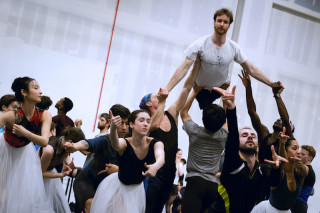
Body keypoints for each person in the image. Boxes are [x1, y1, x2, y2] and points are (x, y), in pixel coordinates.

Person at [165, 8, 283, 110]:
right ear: (214, 22)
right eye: (219, 21)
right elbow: (183, 68)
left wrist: (271, 84)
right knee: (186, 99)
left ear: (229, 25)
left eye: (225, 22)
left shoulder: (234, 48)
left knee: (225, 116)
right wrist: (167, 89)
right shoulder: (200, 44)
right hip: (200, 88)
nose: (222, 24)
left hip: (221, 88)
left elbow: (251, 69)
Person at [204, 86, 287, 213]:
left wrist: (276, 168)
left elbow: (274, 182)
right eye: (244, 135)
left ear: (257, 146)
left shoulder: (262, 169)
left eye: (253, 136)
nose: (249, 137)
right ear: (237, 143)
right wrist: (231, 107)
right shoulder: (232, 163)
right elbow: (231, 137)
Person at [143, 54, 201, 213]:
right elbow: (155, 124)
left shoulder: (171, 113)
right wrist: (162, 100)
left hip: (169, 173)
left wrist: (197, 65)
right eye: (155, 95)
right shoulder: (146, 120)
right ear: (148, 103)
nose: (159, 94)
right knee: (147, 209)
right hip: (154, 172)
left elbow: (186, 88)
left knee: (159, 209)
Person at [90, 109, 165, 213]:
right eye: (142, 120)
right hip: (118, 187)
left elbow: (161, 157)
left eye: (148, 121)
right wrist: (113, 128)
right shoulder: (125, 143)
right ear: (131, 124)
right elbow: (115, 144)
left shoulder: (155, 143)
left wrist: (155, 167)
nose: (145, 124)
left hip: (136, 190)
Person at [0, 77, 53, 212]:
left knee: (20, 192)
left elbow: (44, 141)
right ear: (24, 92)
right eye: (36, 88)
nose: (40, 92)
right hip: (5, 149)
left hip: (24, 153)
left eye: (39, 88)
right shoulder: (11, 116)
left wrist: (24, 132)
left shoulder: (44, 115)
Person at [65, 104, 130, 213]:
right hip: (86, 181)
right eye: (120, 123)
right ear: (111, 123)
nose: (124, 127)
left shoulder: (130, 143)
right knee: (91, 206)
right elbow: (89, 143)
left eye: (126, 123)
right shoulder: (104, 140)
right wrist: (75, 146)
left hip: (106, 188)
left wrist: (118, 170)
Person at [180, 84, 228, 213]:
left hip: (195, 182)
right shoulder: (223, 135)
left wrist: (195, 91)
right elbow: (226, 118)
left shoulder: (194, 131)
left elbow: (183, 111)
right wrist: (225, 97)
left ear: (203, 118)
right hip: (213, 185)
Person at [238, 69, 294, 164]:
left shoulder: (288, 139)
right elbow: (252, 112)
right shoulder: (264, 133)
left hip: (276, 175)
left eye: (281, 121)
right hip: (261, 171)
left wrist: (277, 95)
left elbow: (285, 119)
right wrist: (248, 87)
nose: (278, 120)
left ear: (288, 128)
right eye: (278, 119)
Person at [251, 128, 308, 212]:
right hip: (267, 210)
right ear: (285, 151)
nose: (299, 152)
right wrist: (282, 143)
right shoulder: (281, 171)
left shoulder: (300, 171)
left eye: (299, 149)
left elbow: (305, 171)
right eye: (295, 148)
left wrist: (301, 166)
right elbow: (284, 160)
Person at [39, 126, 85, 213]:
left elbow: (65, 156)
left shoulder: (64, 145)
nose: (75, 151)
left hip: (48, 174)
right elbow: (41, 173)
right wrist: (61, 175)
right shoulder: (50, 150)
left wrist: (71, 165)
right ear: (70, 142)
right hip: (37, 177)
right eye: (76, 148)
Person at [291, 145, 316, 213]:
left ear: (310, 158)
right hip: (296, 204)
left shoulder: (309, 171)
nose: (299, 155)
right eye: (299, 153)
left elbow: (304, 169)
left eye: (303, 154)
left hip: (298, 206)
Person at [166, 148, 184, 213]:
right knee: (166, 202)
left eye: (181, 154)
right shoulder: (171, 161)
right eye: (179, 154)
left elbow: (181, 174)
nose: (180, 156)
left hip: (175, 185)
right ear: (175, 154)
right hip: (168, 183)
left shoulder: (180, 164)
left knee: (170, 203)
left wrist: (180, 164)